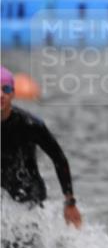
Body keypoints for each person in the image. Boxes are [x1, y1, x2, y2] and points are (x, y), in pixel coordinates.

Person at [1, 67, 81, 228]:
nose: (0, 95)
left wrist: (69, 202)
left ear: (13, 94)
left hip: (28, 192)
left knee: (24, 244)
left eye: (6, 89)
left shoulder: (31, 125)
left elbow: (59, 159)